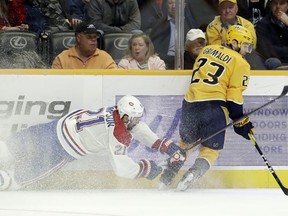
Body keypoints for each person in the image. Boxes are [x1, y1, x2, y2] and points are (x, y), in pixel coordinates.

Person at [0, 95, 183, 190]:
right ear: (125, 116)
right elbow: (123, 169)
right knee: (17, 179)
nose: (137, 121)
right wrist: (150, 169)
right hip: (61, 151)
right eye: (134, 118)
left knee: (8, 147)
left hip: (52, 129)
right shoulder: (118, 132)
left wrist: (164, 145)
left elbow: (138, 129)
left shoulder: (116, 112)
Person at [159, 25, 255, 191]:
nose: (247, 50)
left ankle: (166, 177)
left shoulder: (207, 50)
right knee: (210, 150)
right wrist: (241, 121)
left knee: (186, 143)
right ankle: (192, 174)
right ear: (233, 42)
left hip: (190, 103)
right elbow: (233, 98)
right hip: (214, 106)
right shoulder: (241, 63)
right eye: (245, 45)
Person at [52, 22, 117, 69]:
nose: (93, 40)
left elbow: (114, 82)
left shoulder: (105, 58)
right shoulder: (62, 59)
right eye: (89, 37)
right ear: (78, 38)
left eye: (95, 37)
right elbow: (55, 84)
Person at [255, 0, 288, 69]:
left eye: (282, 3)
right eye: (275, 3)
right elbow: (267, 49)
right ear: (271, 5)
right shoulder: (262, 24)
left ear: (287, 6)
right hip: (275, 61)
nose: (278, 7)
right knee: (273, 62)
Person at [149, 0, 176, 69]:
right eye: (170, 3)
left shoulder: (191, 24)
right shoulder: (158, 25)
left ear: (184, 5)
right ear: (166, 6)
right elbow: (155, 51)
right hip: (164, 61)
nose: (174, 6)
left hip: (185, 61)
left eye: (177, 3)